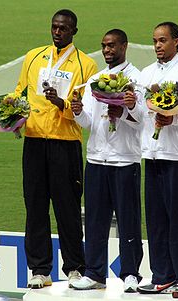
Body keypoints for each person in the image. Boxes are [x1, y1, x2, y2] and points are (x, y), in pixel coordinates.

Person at [14, 9, 97, 289]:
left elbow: (85, 111)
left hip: (66, 143)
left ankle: (74, 267)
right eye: (54, 27)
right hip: (35, 140)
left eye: (63, 28)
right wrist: (12, 115)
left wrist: (62, 104)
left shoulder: (86, 65)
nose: (57, 31)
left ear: (74, 30)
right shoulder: (33, 57)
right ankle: (40, 270)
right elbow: (19, 93)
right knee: (35, 206)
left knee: (68, 207)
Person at [127, 22, 178, 298]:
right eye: (154, 41)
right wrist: (128, 106)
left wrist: (173, 117)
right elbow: (140, 113)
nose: (158, 46)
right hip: (152, 154)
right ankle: (163, 275)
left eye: (163, 40)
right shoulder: (147, 73)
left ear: (177, 41)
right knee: (156, 218)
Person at [70, 29, 143, 293]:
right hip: (97, 159)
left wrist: (125, 111)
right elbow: (89, 121)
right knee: (95, 220)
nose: (107, 50)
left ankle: (131, 273)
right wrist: (78, 113)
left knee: (128, 220)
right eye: (103, 46)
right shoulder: (96, 79)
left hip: (124, 160)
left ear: (125, 45)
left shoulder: (136, 79)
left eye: (112, 45)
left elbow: (143, 121)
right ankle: (94, 273)